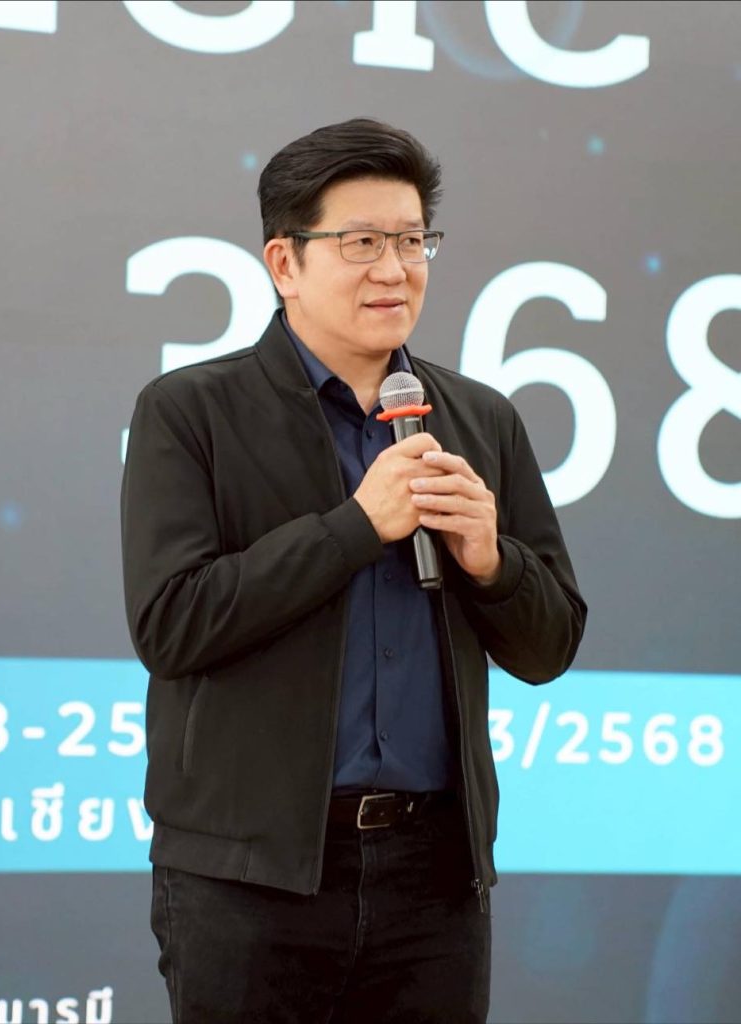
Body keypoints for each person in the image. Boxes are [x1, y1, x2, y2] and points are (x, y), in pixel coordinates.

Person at [120, 117, 586, 1023]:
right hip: (251, 880)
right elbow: (172, 623)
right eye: (362, 242)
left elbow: (550, 645)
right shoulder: (191, 410)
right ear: (284, 263)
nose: (395, 269)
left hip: (435, 882)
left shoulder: (480, 419)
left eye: (413, 241)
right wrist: (356, 527)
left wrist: (492, 562)